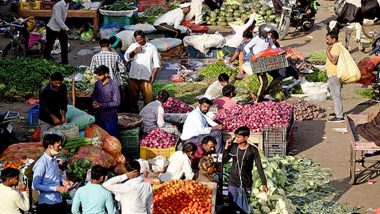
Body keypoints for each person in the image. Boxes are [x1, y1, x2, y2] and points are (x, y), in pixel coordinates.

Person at [223, 126, 267, 213]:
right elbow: (224, 161)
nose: (237, 139)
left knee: (243, 207)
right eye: (236, 136)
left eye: (239, 137)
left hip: (246, 182)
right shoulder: (233, 147)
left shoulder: (252, 150)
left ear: (246, 137)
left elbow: (259, 167)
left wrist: (264, 183)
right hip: (233, 181)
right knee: (232, 206)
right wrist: (226, 148)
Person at [32, 133, 73, 214]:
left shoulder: (53, 160)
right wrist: (56, 188)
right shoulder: (42, 163)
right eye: (58, 146)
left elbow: (53, 175)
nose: (61, 148)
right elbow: (35, 185)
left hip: (58, 201)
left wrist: (63, 181)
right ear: (50, 146)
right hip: (47, 205)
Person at [125, 30, 160, 113]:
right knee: (132, 98)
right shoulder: (133, 46)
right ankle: (134, 114)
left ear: (144, 37)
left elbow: (156, 64)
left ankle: (147, 114)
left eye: (140, 39)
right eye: (137, 40)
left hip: (146, 77)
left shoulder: (151, 47)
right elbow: (126, 57)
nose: (139, 42)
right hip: (133, 76)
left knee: (148, 99)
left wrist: (154, 75)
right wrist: (134, 52)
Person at [243, 24, 277, 102]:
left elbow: (272, 46)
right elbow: (246, 47)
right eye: (268, 33)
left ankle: (261, 96)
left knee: (264, 81)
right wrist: (251, 55)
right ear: (263, 33)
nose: (270, 34)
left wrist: (277, 51)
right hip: (257, 62)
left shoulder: (268, 39)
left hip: (264, 61)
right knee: (263, 82)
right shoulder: (256, 39)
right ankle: (258, 100)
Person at [92, 65, 121, 137]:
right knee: (100, 136)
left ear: (106, 74)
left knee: (111, 137)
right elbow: (94, 94)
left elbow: (116, 102)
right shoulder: (97, 83)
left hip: (110, 116)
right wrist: (94, 101)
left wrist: (101, 105)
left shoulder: (113, 85)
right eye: (97, 75)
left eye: (99, 75)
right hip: (99, 115)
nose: (98, 77)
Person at [43, 0, 70, 64]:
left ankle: (64, 63)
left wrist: (64, 28)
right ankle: (45, 60)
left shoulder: (67, 4)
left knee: (64, 45)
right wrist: (67, 28)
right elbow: (58, 18)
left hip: (60, 28)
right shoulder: (58, 5)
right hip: (52, 28)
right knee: (49, 44)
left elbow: (63, 17)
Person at [325, 32, 344, 122]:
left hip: (334, 74)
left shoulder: (336, 47)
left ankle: (339, 116)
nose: (327, 42)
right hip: (332, 74)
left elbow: (334, 61)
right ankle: (338, 111)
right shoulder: (336, 46)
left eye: (328, 40)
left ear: (334, 39)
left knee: (336, 95)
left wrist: (327, 52)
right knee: (333, 93)